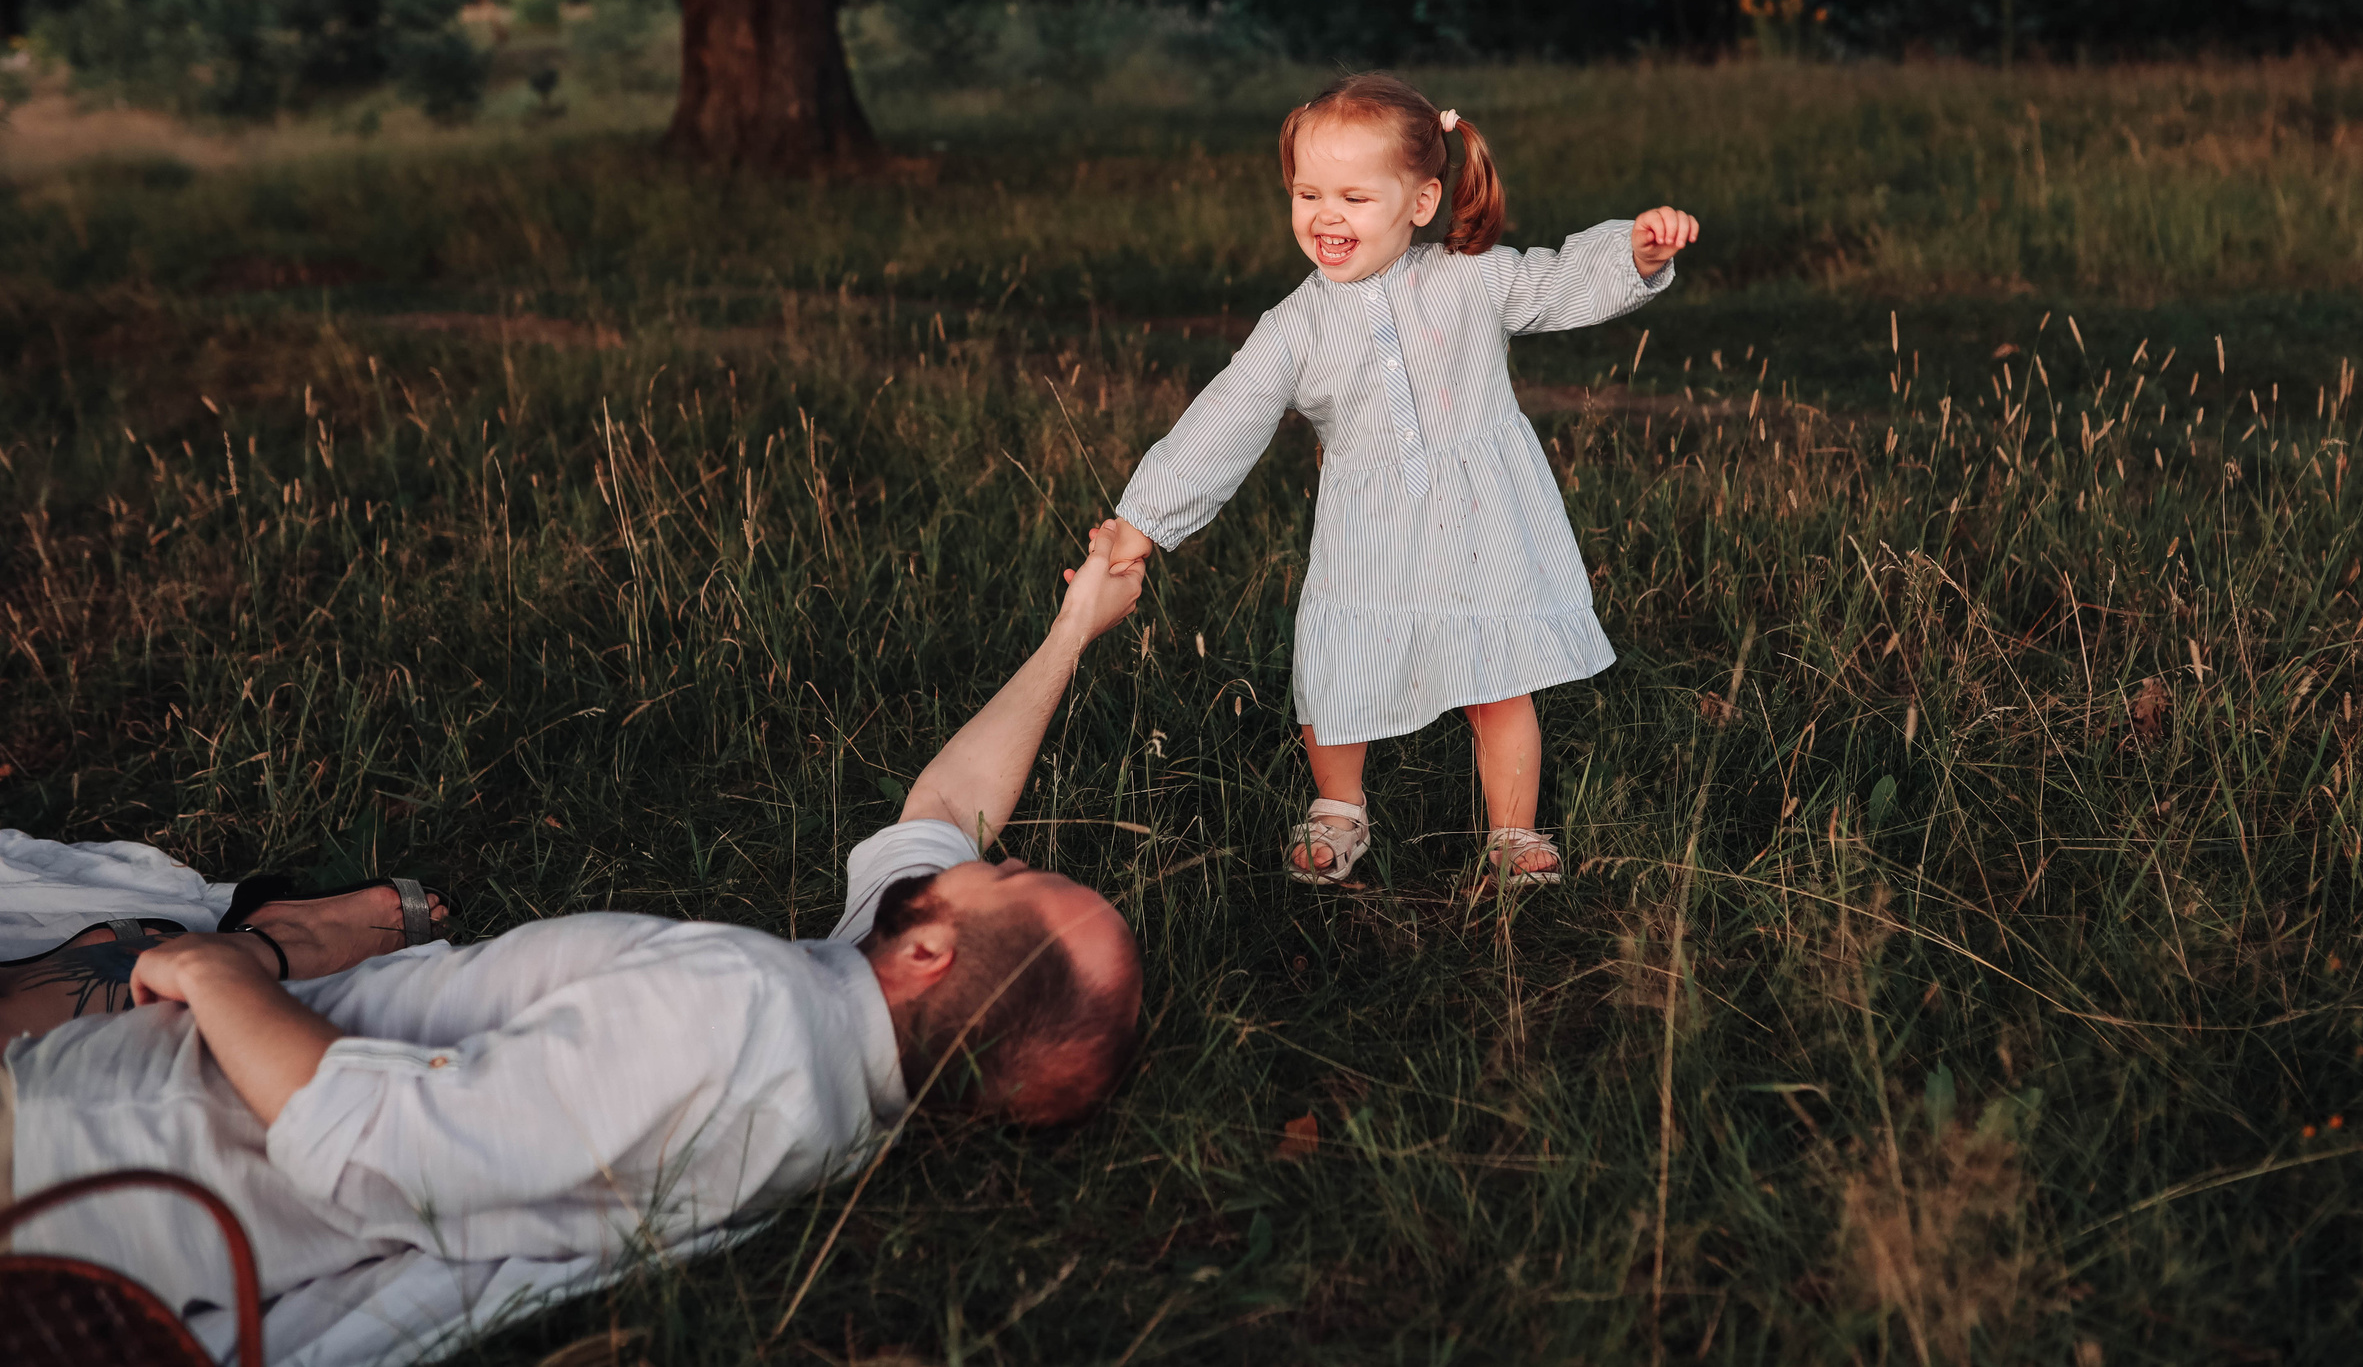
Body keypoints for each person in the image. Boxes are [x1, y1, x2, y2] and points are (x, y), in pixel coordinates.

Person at [0, 523, 1150, 1360]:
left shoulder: (733, 1011)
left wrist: (222, 966)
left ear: (933, 953)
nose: (997, 857)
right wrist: (1071, 630)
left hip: (92, 1155)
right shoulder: (854, 1062)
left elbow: (378, 1146)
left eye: (1014, 878)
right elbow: (943, 815)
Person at [1101, 73, 1699, 888]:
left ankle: (1513, 830)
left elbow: (1556, 280)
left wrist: (1634, 251)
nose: (1325, 215)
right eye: (1306, 192)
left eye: (1354, 195)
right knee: (1339, 662)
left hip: (1485, 517)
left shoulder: (1469, 276)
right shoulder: (1296, 325)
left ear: (1419, 202)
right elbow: (1226, 416)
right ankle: (1339, 805)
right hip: (1368, 527)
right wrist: (1145, 521)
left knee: (1498, 673)